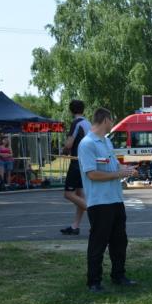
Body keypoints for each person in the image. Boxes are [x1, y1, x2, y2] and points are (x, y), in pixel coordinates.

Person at [78, 107, 138, 292]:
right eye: (112, 120)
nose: (112, 123)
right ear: (105, 120)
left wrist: (125, 170)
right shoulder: (87, 144)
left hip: (115, 199)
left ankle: (118, 275)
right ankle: (94, 281)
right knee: (98, 243)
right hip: (100, 202)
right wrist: (117, 173)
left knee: (120, 241)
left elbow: (113, 167)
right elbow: (92, 174)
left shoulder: (106, 142)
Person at [61, 100, 91, 235]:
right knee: (80, 195)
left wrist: (63, 151)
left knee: (68, 194)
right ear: (83, 109)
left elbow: (68, 144)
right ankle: (75, 226)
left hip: (76, 163)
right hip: (85, 163)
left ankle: (96, 214)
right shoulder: (88, 123)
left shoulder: (76, 123)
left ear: (71, 111)